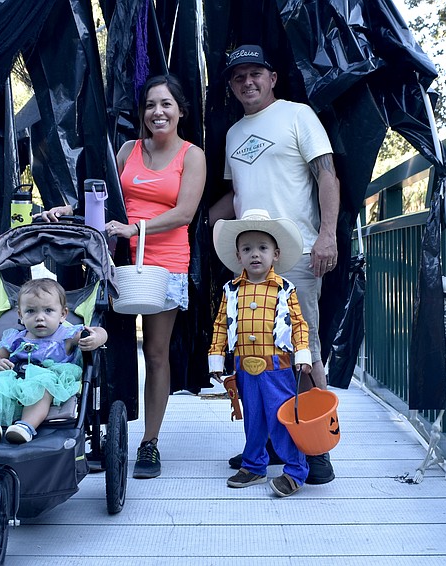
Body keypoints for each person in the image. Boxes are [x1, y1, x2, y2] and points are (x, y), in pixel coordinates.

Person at [38, 74, 207, 478]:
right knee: (105, 349)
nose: (157, 112)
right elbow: (101, 197)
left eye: (166, 104)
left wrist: (136, 228)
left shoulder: (192, 155)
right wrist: (69, 208)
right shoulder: (129, 149)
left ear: (180, 110)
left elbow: (185, 213)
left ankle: (149, 443)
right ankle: (101, 437)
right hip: (116, 263)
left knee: (156, 353)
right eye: (150, 105)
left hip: (164, 264)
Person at [209, 45, 340, 485]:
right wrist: (209, 219)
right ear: (230, 86)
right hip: (250, 263)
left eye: (255, 74)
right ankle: (265, 446)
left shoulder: (298, 115)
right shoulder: (232, 135)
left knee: (304, 353)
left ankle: (315, 448)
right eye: (238, 76)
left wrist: (327, 234)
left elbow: (327, 175)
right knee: (256, 356)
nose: (248, 82)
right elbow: (241, 191)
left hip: (296, 254)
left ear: (272, 78)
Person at [209, 209, 312, 497]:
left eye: (262, 248)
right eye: (247, 249)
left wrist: (302, 354)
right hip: (244, 367)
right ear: (238, 256)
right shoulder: (231, 290)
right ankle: (253, 465)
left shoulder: (284, 289)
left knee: (281, 418)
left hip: (277, 368)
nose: (255, 254)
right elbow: (220, 324)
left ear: (276, 254)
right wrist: (216, 357)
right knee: (253, 418)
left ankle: (295, 470)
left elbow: (299, 324)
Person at [0, 278, 107, 444]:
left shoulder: (67, 335)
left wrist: (97, 338)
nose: (40, 318)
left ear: (63, 314)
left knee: (43, 387)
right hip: (13, 380)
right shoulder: (16, 338)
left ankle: (25, 427)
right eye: (31, 311)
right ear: (21, 315)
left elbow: (98, 331)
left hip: (46, 379)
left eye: (48, 311)